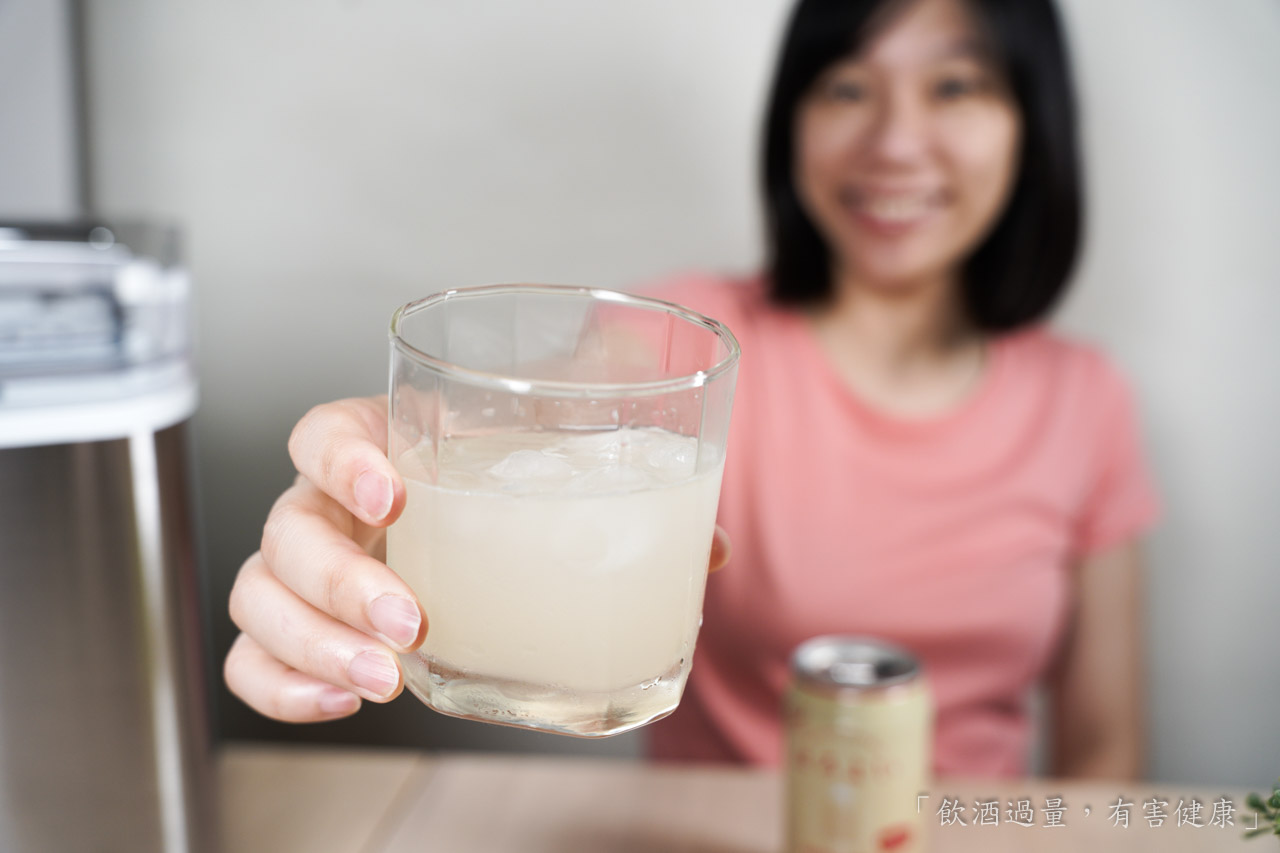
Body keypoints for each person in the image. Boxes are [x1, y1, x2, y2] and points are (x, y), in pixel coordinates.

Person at [225, 0, 1158, 779]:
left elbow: (1105, 744)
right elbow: (506, 441)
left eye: (956, 85)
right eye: (846, 86)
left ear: (1033, 121)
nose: (896, 140)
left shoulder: (1087, 399)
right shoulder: (684, 340)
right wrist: (364, 504)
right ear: (792, 119)